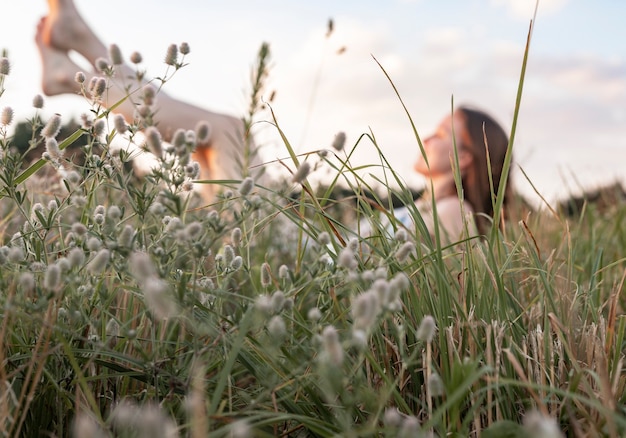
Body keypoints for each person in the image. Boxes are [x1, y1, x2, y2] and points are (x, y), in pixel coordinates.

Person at [36, 0, 263, 202]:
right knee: (221, 134)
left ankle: (75, 68)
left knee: (229, 131)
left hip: (270, 240)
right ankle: (83, 54)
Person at [364, 106, 513, 243]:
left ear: (463, 157)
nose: (426, 139)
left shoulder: (454, 210)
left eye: (441, 134)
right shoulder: (423, 207)